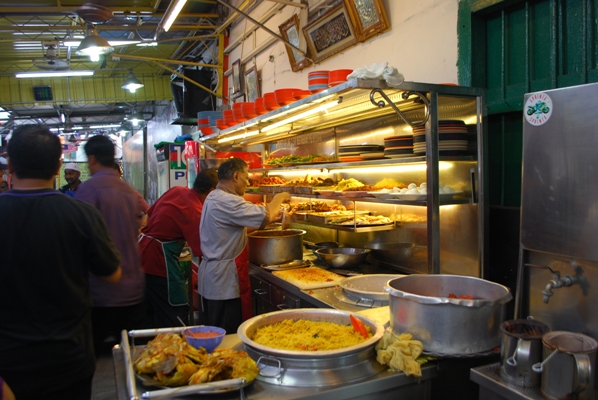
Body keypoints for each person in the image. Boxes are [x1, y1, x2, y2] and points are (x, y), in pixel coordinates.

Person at [0, 125, 121, 400]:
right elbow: (112, 274)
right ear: (58, 166)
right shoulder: (81, 214)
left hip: (9, 361)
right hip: (69, 357)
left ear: (11, 165)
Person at [197, 158, 290, 333]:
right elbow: (267, 215)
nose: (248, 182)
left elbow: (231, 231)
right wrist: (280, 196)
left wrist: (267, 222)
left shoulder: (214, 195)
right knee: (226, 333)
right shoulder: (228, 200)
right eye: (247, 177)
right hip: (223, 283)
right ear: (236, 175)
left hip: (213, 276)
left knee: (214, 331)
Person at [76, 135, 147, 357]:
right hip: (133, 289)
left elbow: (80, 239)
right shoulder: (129, 191)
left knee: (93, 355)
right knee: (131, 357)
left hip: (100, 291)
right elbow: (145, 218)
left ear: (93, 158)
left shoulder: (88, 190)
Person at [140, 169, 219, 327]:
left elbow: (149, 214)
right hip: (159, 260)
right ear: (211, 192)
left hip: (141, 253)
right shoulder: (195, 211)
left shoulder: (177, 190)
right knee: (175, 309)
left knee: (149, 309)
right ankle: (175, 344)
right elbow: (203, 249)